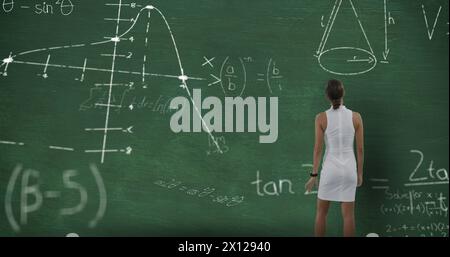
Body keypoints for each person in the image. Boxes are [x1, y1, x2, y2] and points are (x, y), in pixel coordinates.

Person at [305, 79, 364, 237]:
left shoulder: (321, 118)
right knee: (349, 216)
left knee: (321, 214)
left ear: (327, 96)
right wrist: (359, 174)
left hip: (330, 171)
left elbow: (318, 149)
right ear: (343, 93)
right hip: (349, 171)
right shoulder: (356, 117)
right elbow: (360, 149)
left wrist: (314, 175)